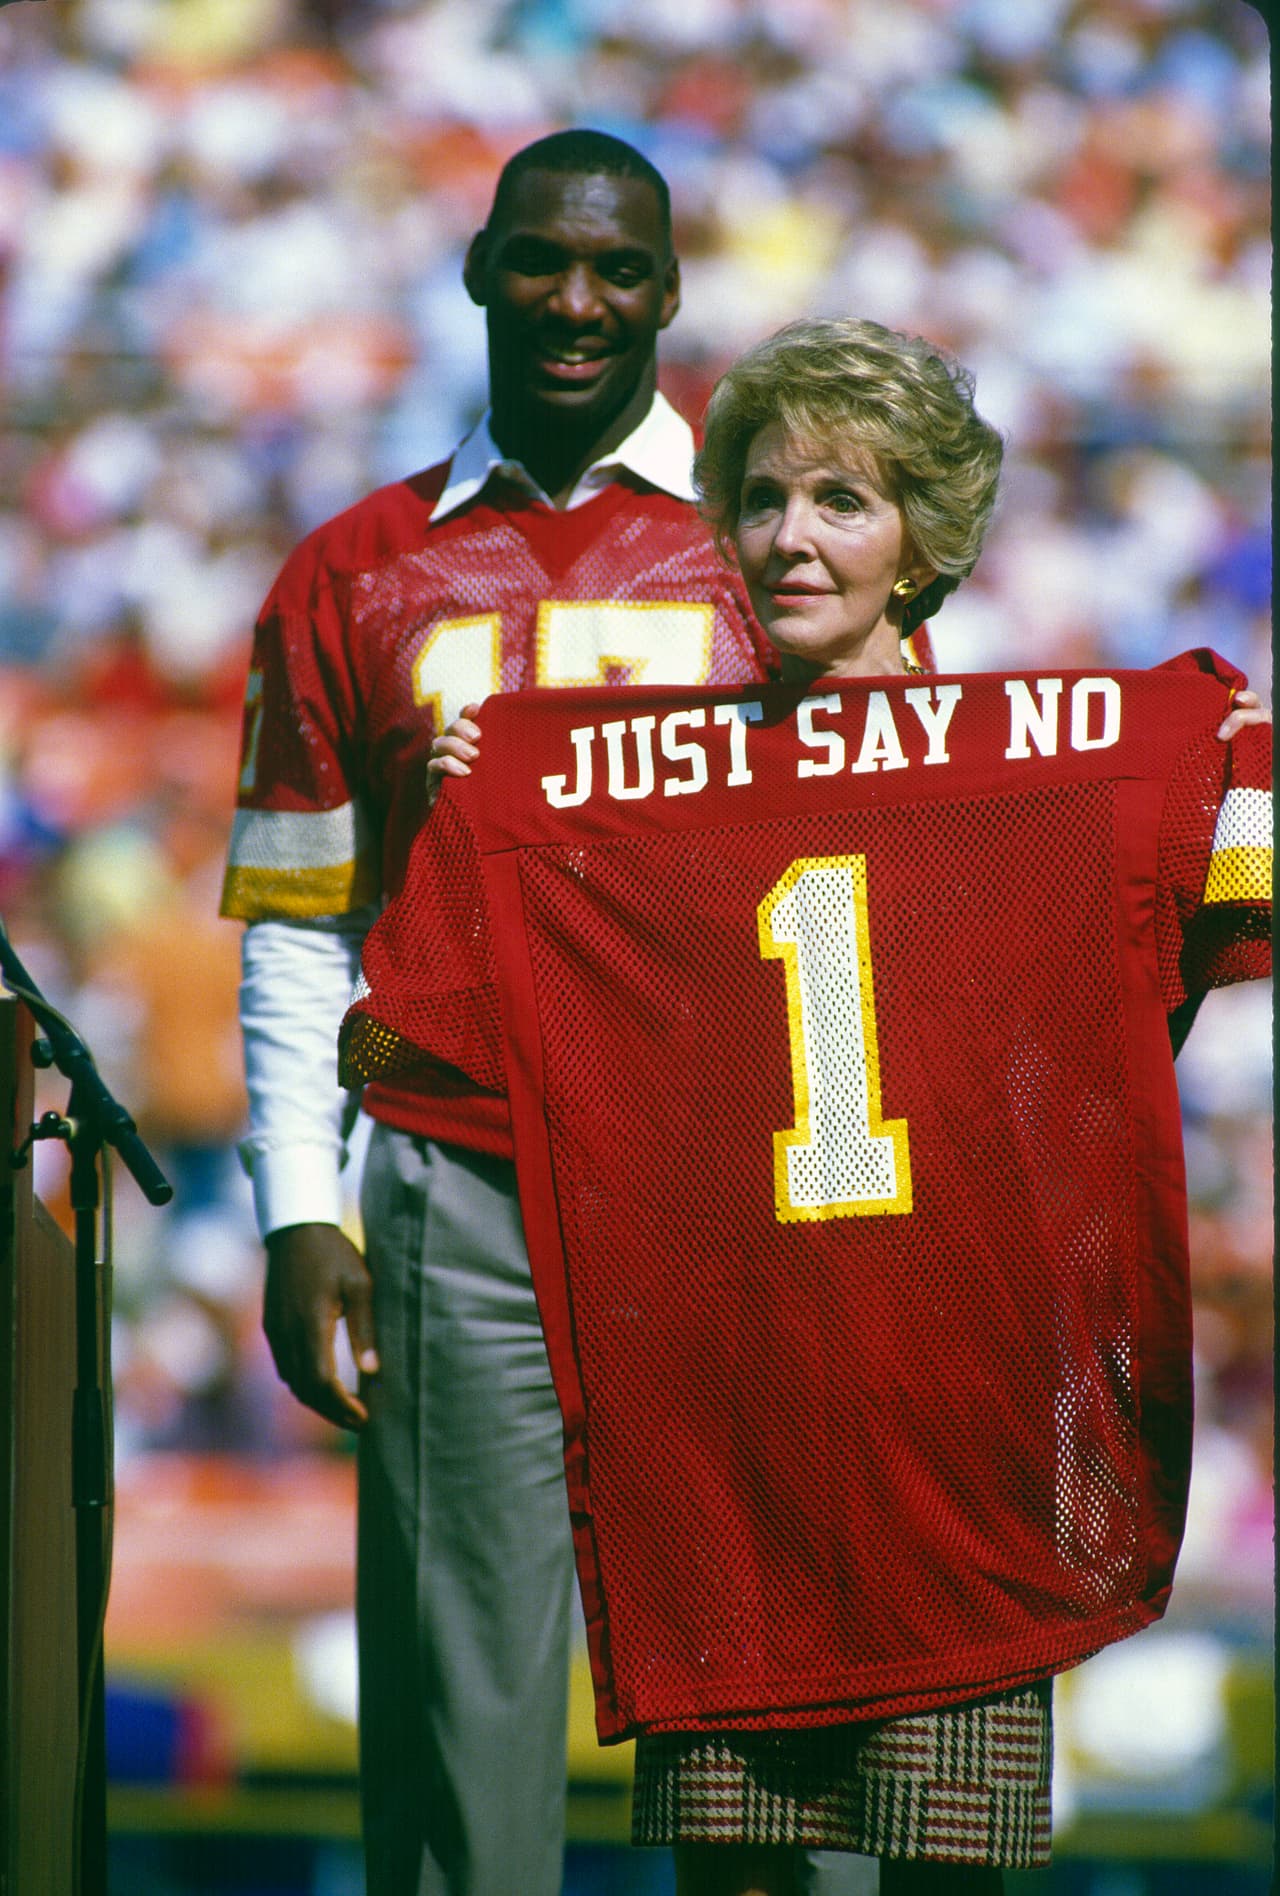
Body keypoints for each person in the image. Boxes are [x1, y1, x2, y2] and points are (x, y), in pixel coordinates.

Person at [421, 317, 1270, 1896]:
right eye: (761, 497)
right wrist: (478, 803)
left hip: (960, 1409)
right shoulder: (611, 780)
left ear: (926, 540)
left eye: (843, 500)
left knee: (948, 1880)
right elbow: (450, 1031)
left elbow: (1225, 907)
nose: (791, 536)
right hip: (723, 1433)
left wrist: (1232, 768)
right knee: (733, 1884)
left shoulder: (1054, 765)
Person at [221, 133, 883, 1896]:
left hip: (747, 1179)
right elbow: (300, 931)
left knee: (785, 1707)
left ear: (671, 293)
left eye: (617, 269)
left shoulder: (790, 547)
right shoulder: (348, 569)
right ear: (477, 272)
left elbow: (882, 876)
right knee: (463, 1716)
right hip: (466, 1166)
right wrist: (298, 1202)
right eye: (539, 261)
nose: (576, 301)